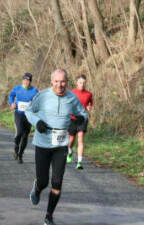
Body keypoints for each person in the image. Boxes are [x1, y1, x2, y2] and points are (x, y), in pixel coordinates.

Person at [25, 69, 87, 225]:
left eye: (63, 81)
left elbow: (83, 113)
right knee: (44, 181)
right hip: (43, 144)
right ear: (51, 81)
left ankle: (49, 216)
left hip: (61, 146)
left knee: (57, 181)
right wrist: (37, 122)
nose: (60, 85)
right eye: (57, 81)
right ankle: (37, 188)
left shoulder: (72, 98)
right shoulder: (43, 96)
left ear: (67, 82)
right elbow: (29, 110)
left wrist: (81, 118)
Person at [8, 73, 38, 164]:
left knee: (25, 136)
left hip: (28, 115)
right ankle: (16, 147)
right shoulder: (17, 88)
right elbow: (11, 96)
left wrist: (34, 106)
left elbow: (38, 101)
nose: (25, 82)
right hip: (18, 113)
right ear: (22, 80)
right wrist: (11, 103)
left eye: (28, 80)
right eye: (24, 80)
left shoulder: (34, 91)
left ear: (30, 81)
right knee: (19, 132)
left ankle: (20, 155)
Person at [66, 74, 93, 169]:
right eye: (80, 82)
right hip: (72, 119)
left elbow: (90, 104)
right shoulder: (71, 93)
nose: (82, 84)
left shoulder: (89, 94)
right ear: (77, 82)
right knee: (71, 140)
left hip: (83, 119)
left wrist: (89, 107)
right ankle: (69, 151)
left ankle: (79, 162)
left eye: (84, 83)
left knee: (80, 139)